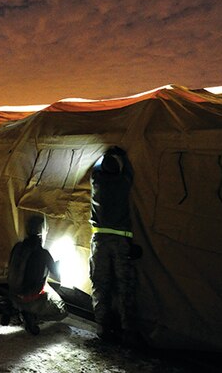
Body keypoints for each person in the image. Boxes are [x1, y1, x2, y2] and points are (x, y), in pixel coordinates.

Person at [89, 146, 140, 344]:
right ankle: (128, 330)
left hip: (100, 241)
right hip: (121, 243)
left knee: (100, 284)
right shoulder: (123, 182)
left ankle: (102, 326)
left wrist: (104, 154)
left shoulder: (97, 182)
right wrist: (123, 155)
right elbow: (129, 171)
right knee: (124, 285)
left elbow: (95, 168)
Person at [6, 213, 67, 335]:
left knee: (44, 286)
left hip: (13, 293)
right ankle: (32, 315)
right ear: (43, 231)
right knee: (61, 311)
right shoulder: (43, 253)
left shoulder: (17, 246)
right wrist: (58, 264)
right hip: (30, 295)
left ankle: (16, 308)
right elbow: (56, 275)